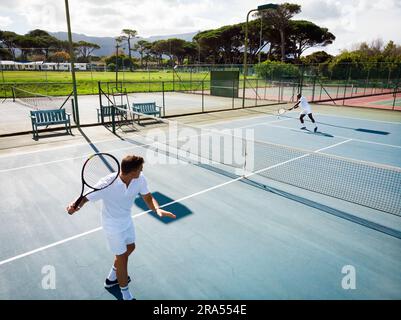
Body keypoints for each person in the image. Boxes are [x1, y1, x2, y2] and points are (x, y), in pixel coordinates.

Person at [66, 155, 176, 300]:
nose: (142, 170)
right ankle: (126, 295)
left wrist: (157, 209)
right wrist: (75, 206)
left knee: (131, 247)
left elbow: (148, 197)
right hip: (111, 225)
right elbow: (85, 197)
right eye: (140, 168)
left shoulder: (140, 178)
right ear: (132, 171)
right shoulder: (107, 183)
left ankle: (112, 278)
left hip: (126, 220)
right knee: (122, 258)